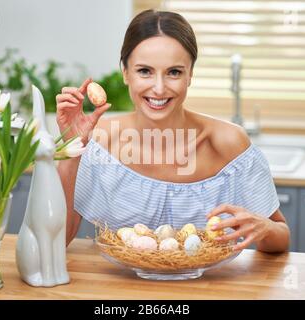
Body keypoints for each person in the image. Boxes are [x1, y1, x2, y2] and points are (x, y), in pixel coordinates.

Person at [56, 9, 290, 253]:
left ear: (190, 75)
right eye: (144, 71)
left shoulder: (228, 143)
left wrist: (264, 228)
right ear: (125, 73)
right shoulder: (100, 140)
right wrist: (70, 148)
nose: (158, 88)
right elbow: (57, 241)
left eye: (174, 72)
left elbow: (281, 236)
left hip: (206, 290)